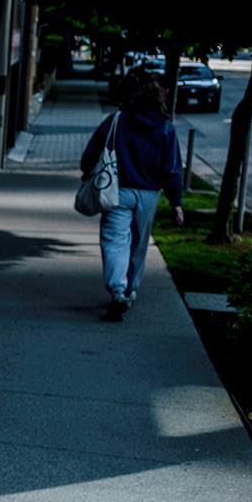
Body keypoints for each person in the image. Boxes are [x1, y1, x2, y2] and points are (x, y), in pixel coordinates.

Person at [82, 70, 185, 322]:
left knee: (115, 241)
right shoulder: (166, 129)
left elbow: (92, 152)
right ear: (159, 100)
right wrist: (176, 203)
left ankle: (117, 290)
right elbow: (172, 170)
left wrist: (87, 173)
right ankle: (130, 290)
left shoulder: (116, 121)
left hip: (117, 192)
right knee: (139, 244)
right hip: (149, 195)